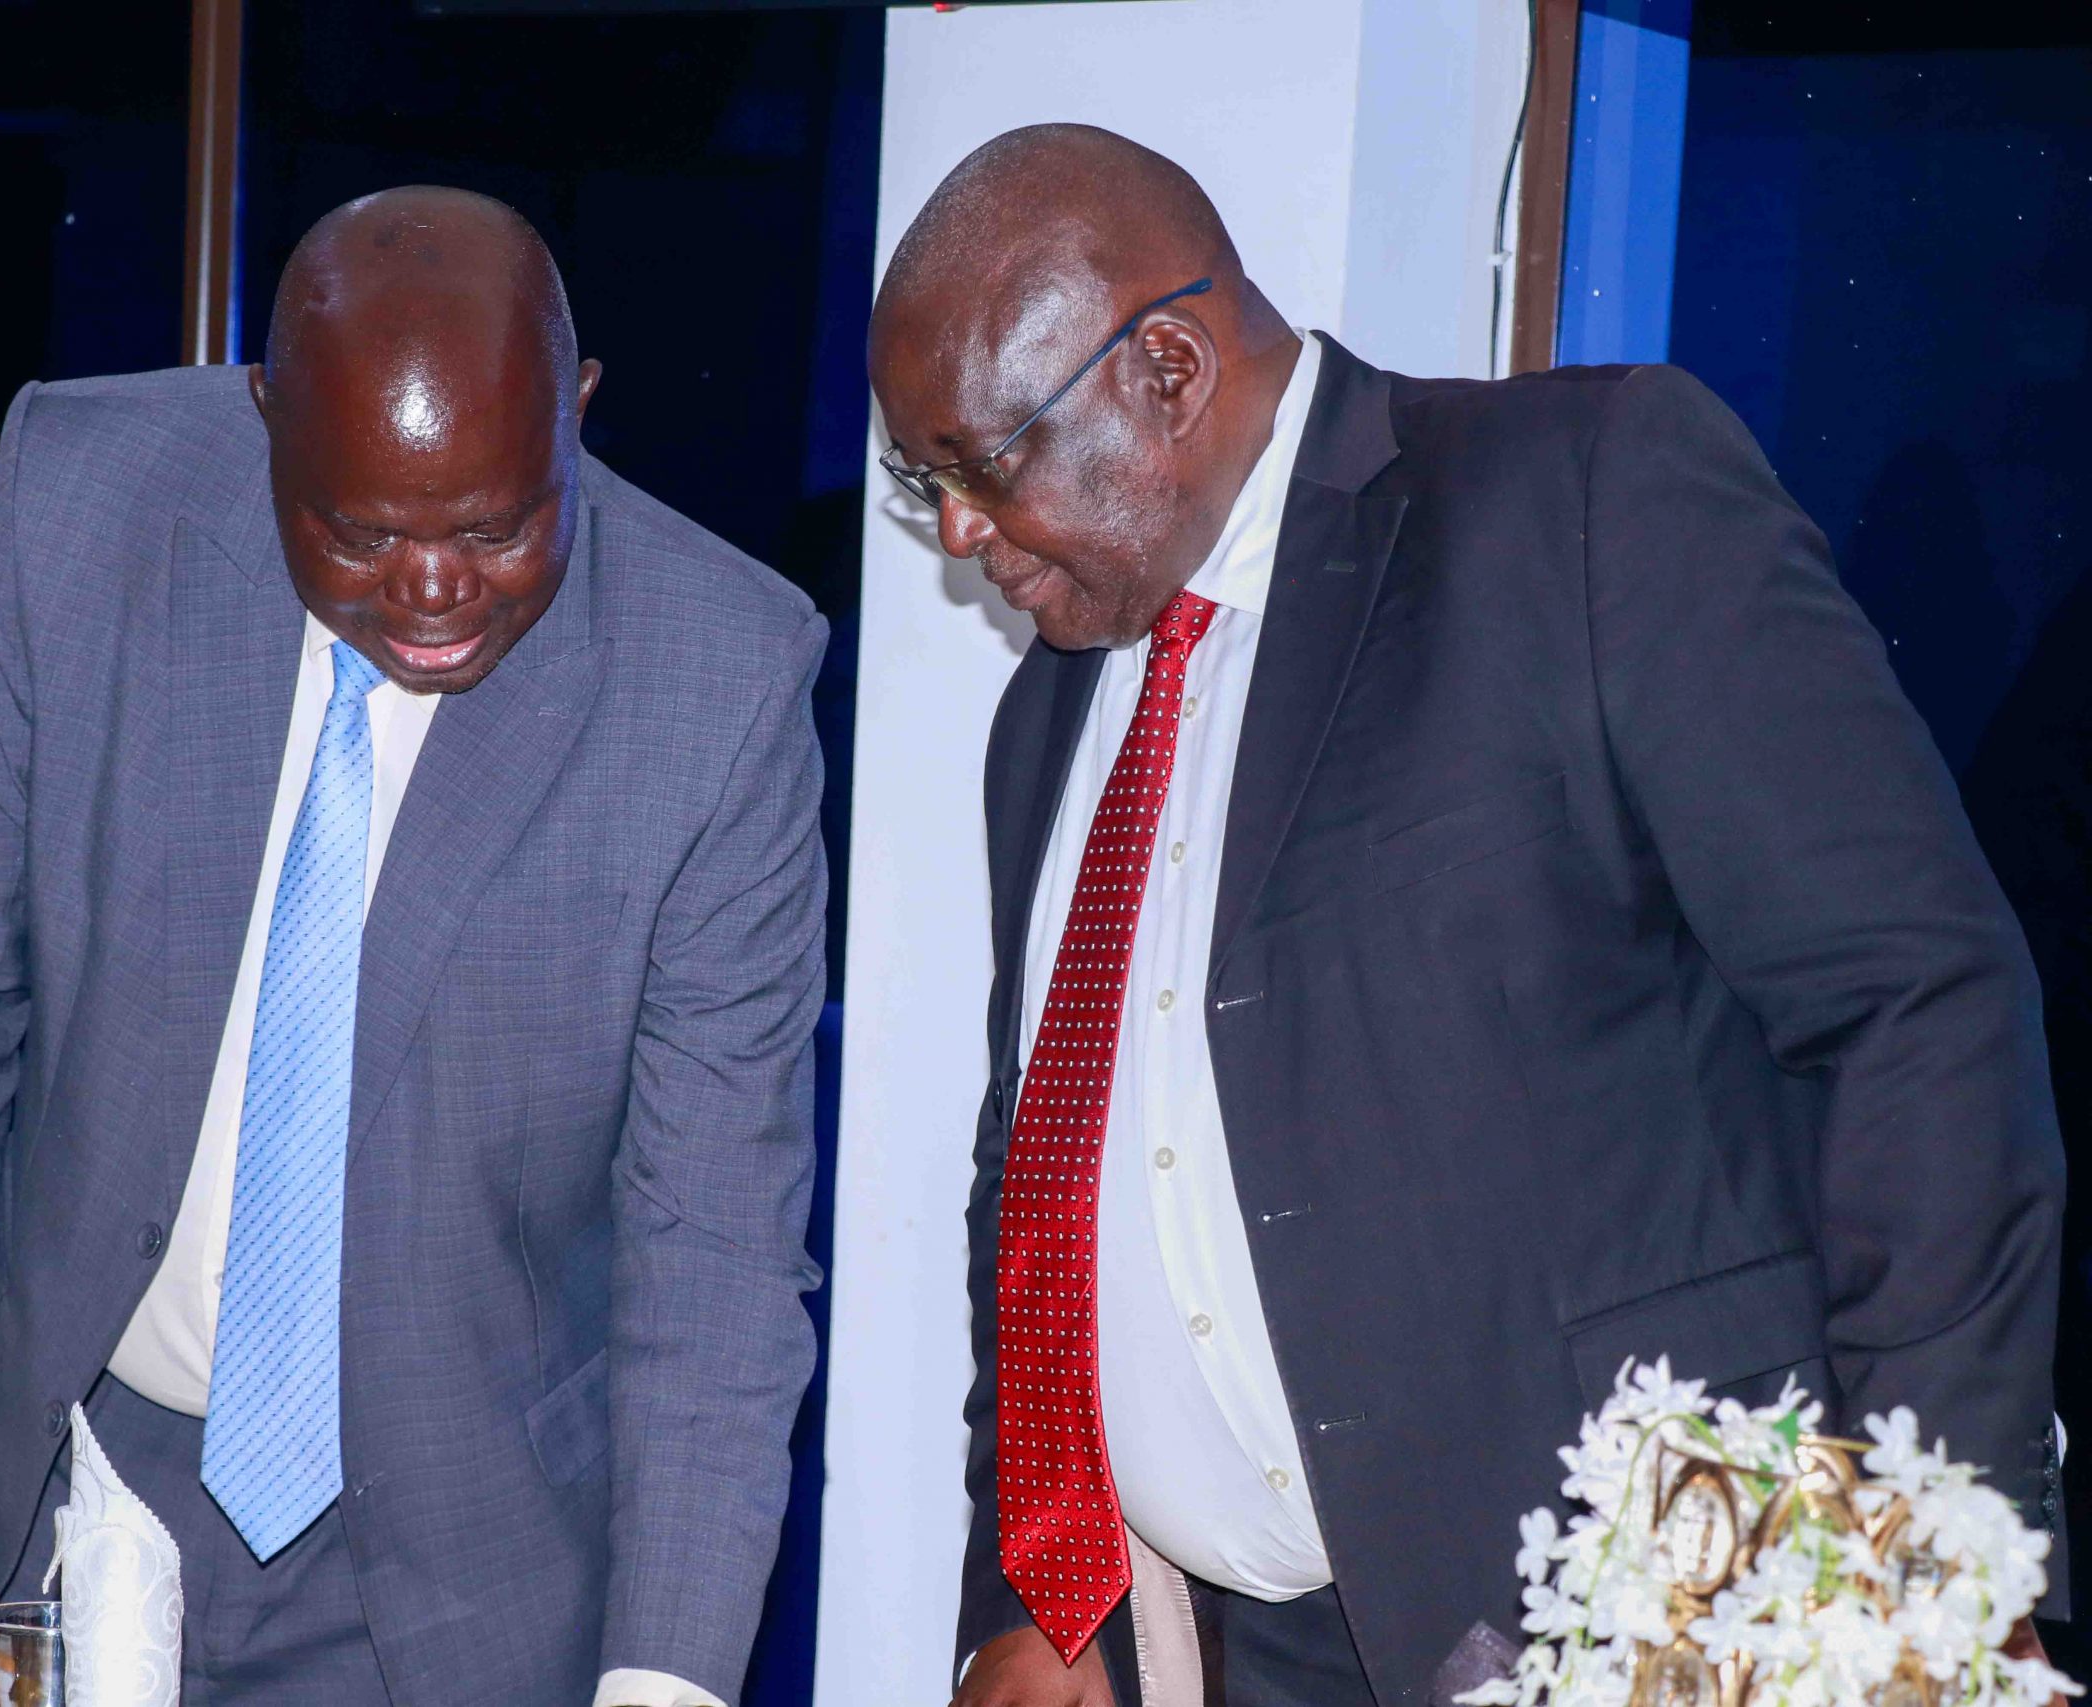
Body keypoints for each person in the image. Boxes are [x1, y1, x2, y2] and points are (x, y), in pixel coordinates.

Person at [865, 125, 2067, 1707]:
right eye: (924, 480)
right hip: (1244, 1653)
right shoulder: (1055, 712)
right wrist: (1030, 1588)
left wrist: (1933, 1559)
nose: (959, 531)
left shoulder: (1580, 495)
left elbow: (1913, 1004)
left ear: (1168, 369)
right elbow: (1036, 1174)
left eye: (981, 464)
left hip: (1662, 1615)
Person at [0, 188, 828, 1707]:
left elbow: (714, 1248)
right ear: (267, 418)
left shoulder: (719, 677)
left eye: (497, 527)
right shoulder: (75, 506)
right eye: (361, 533)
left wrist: (663, 1684)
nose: (433, 591)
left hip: (459, 1572)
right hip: (66, 1487)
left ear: (579, 410)